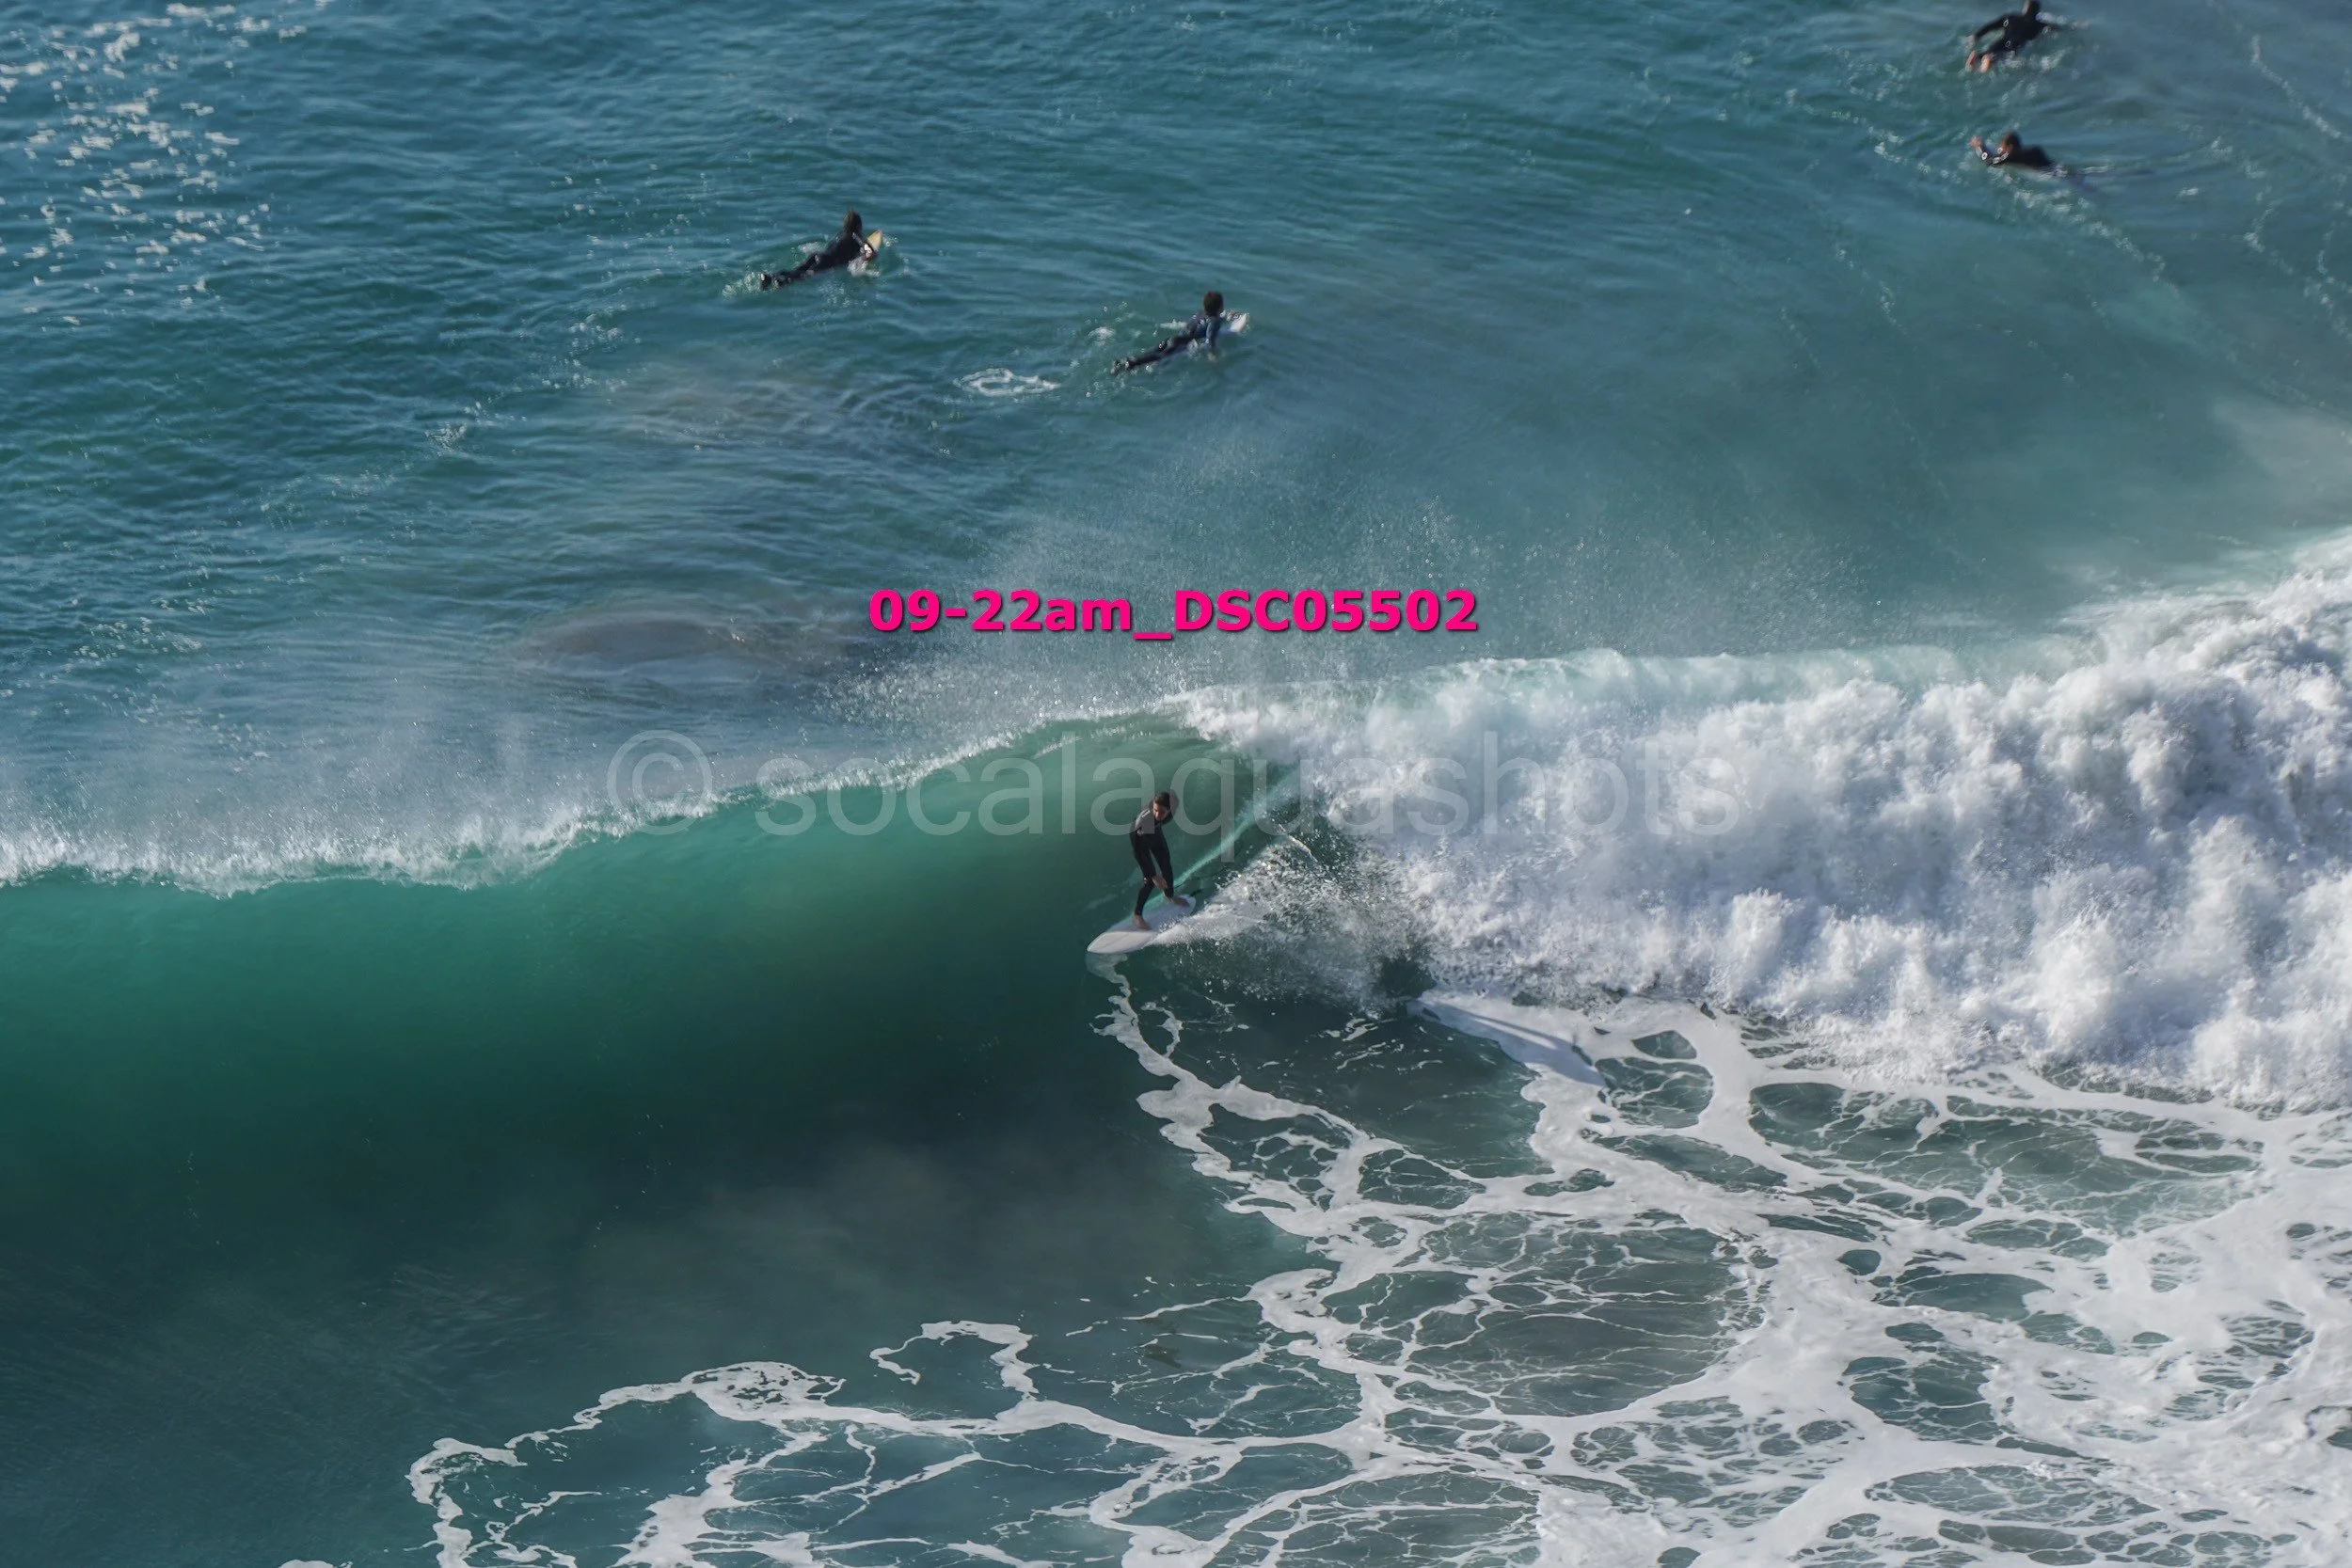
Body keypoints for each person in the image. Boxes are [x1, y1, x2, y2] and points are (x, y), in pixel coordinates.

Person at [1113, 291, 1235, 373]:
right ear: (1220, 307)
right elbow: (1210, 338)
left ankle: (1125, 361)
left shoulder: (1200, 313)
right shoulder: (1214, 321)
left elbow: (1203, 323)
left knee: (1152, 352)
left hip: (1173, 339)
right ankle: (1131, 363)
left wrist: (1226, 317)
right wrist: (1212, 355)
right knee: (1158, 358)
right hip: (1180, 344)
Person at [759, 211, 871, 289]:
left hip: (818, 255)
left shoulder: (840, 234)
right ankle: (783, 281)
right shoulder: (857, 236)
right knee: (805, 276)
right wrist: (863, 260)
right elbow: (870, 252)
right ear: (858, 226)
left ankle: (771, 276)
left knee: (797, 270)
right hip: (827, 261)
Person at [1128, 791, 1191, 928]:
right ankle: (1137, 915)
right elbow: (1138, 851)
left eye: (1162, 812)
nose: (1157, 814)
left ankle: (1169, 895)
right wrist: (1153, 875)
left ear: (1170, 810)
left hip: (1155, 833)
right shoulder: (1143, 821)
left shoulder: (1172, 810)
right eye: (1155, 810)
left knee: (1166, 867)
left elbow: (1173, 798)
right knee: (1150, 881)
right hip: (1141, 841)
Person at [1967, 0, 2060, 71]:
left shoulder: (2010, 17)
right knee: (2001, 57)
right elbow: (2053, 28)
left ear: (2025, 9)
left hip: (2001, 41)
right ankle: (1988, 61)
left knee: (1988, 52)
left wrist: (1977, 36)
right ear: (2036, 13)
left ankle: (1977, 56)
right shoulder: (2037, 25)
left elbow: (1990, 26)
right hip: (2014, 44)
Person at [1972, 131, 2055, 170]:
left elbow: (1989, 161)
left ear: (2010, 147)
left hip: (2045, 174)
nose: (2002, 150)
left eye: (2003, 148)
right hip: (2055, 168)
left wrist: (1980, 146)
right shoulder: (2035, 150)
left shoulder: (2009, 157)